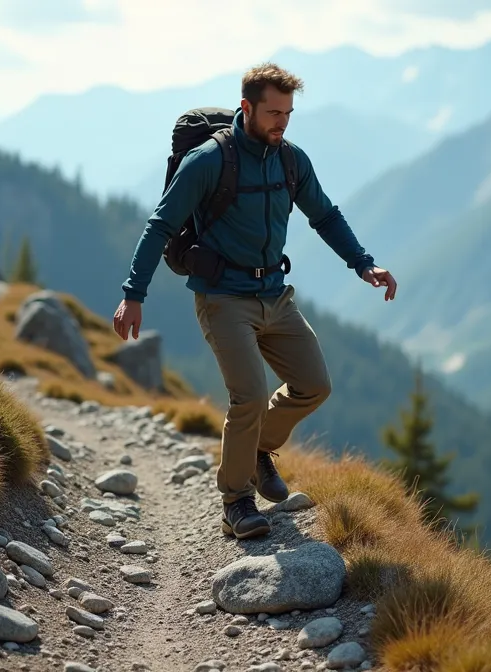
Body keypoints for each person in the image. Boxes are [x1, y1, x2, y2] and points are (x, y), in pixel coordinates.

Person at [112, 62, 397, 540]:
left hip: (274, 295)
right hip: (223, 299)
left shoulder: (290, 160)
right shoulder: (208, 161)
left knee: (314, 384)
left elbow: (324, 215)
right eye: (272, 113)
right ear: (246, 108)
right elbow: (159, 225)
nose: (281, 122)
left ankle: (258, 449)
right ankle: (237, 500)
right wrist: (133, 294)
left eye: (287, 113)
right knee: (247, 396)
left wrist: (363, 263)